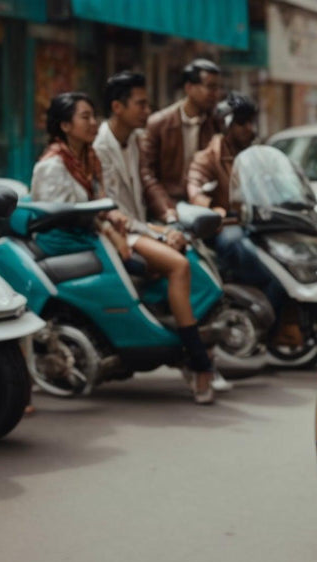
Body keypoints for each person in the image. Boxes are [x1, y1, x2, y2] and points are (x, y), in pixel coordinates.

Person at [32, 92, 216, 404]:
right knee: (178, 266)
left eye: (94, 115)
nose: (93, 123)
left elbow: (106, 206)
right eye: (85, 117)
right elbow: (64, 217)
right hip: (75, 242)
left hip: (105, 233)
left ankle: (175, 344)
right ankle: (197, 359)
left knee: (177, 256)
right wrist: (111, 229)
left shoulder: (89, 158)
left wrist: (146, 228)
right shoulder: (52, 166)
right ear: (64, 125)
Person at [186, 93, 300, 347]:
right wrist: (214, 209)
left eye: (251, 122)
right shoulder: (207, 157)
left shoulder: (256, 155)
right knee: (248, 256)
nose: (249, 129)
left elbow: (278, 184)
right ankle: (263, 317)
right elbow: (194, 189)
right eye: (242, 123)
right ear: (226, 125)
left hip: (259, 223)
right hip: (226, 227)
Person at [141, 58, 222, 225]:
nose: (215, 94)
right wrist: (165, 209)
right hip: (170, 204)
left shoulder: (215, 123)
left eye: (217, 87)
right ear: (189, 88)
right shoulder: (159, 123)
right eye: (210, 87)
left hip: (205, 204)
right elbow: (147, 174)